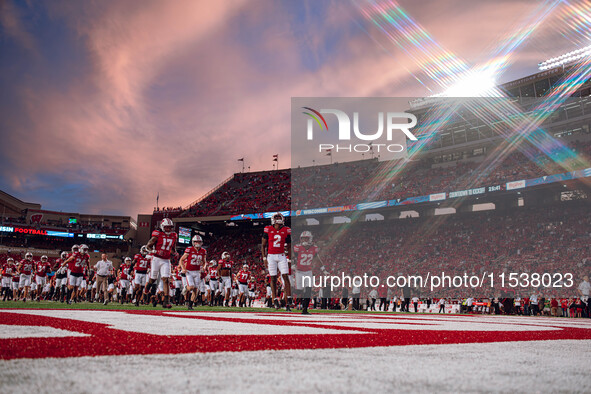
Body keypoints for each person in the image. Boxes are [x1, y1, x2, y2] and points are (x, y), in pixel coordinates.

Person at [261, 212, 292, 311]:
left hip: (282, 255)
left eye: (280, 218)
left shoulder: (286, 230)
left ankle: (289, 299)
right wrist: (264, 258)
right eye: (277, 218)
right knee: (273, 278)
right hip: (271, 256)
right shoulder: (268, 229)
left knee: (285, 276)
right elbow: (263, 246)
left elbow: (290, 246)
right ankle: (274, 299)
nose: (279, 220)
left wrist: (290, 259)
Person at [143, 218, 177, 309]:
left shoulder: (174, 235)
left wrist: (174, 253)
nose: (168, 229)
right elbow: (148, 246)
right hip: (156, 259)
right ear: (162, 227)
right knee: (153, 279)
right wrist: (154, 251)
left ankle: (166, 301)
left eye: (170, 228)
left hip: (166, 260)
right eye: (166, 227)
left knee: (166, 279)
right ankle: (146, 289)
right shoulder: (157, 234)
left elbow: (173, 248)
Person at [292, 230, 324, 315]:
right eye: (303, 239)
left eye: (306, 238)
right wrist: (293, 264)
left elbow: (317, 259)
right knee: (298, 291)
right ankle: (291, 299)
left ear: (310, 239)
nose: (304, 240)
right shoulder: (297, 247)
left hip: (308, 271)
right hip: (299, 271)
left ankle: (305, 309)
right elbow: (294, 257)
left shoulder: (314, 248)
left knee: (308, 290)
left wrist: (323, 268)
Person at [179, 235, 206, 310]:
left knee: (196, 289)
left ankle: (190, 305)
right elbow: (181, 260)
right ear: (193, 242)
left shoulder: (203, 251)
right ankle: (186, 288)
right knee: (191, 287)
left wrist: (203, 267)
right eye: (196, 242)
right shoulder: (189, 249)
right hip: (189, 271)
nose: (197, 243)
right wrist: (183, 268)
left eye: (199, 242)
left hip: (197, 271)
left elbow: (204, 262)